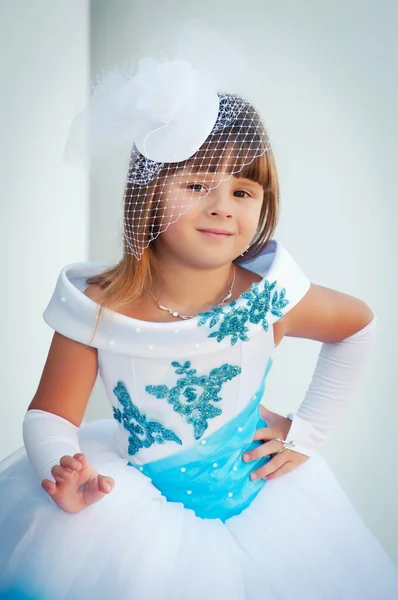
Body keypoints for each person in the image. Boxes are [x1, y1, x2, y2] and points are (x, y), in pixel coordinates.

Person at [1, 55, 398, 600]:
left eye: (242, 192)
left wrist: (309, 431)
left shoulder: (266, 299)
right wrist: (61, 469)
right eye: (195, 185)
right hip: (133, 523)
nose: (222, 208)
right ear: (147, 195)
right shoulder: (98, 307)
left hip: (263, 510)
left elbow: (357, 326)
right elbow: (49, 414)